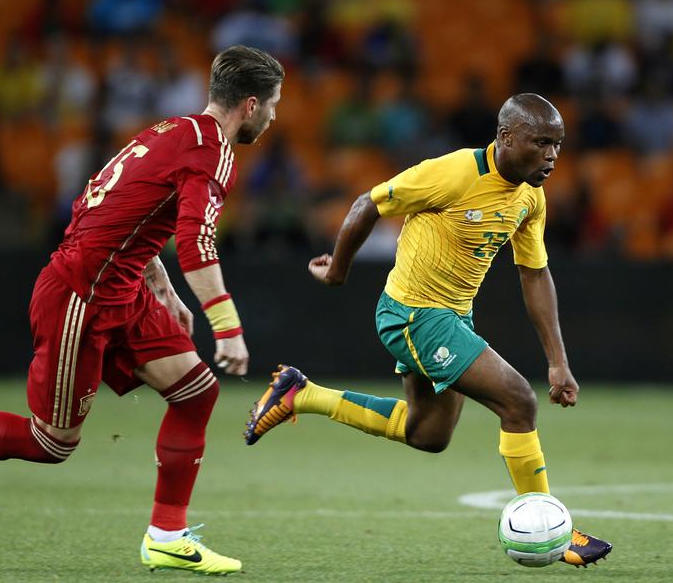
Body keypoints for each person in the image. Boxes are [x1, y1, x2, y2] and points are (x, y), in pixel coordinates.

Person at [0, 45, 284, 576]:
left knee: (196, 391)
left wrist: (164, 289)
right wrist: (226, 327)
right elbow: (196, 244)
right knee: (52, 443)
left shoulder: (171, 130)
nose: (274, 117)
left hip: (123, 287)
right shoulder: (212, 154)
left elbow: (107, 207)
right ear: (250, 105)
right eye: (273, 104)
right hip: (81, 297)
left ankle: (166, 535)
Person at [245, 93, 613, 568]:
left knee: (428, 434)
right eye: (540, 143)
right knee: (518, 400)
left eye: (558, 146)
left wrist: (558, 360)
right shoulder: (454, 173)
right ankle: (556, 530)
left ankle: (301, 393)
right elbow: (368, 202)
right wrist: (338, 269)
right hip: (414, 314)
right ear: (505, 137)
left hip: (453, 317)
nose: (551, 156)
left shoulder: (531, 197)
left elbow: (535, 274)